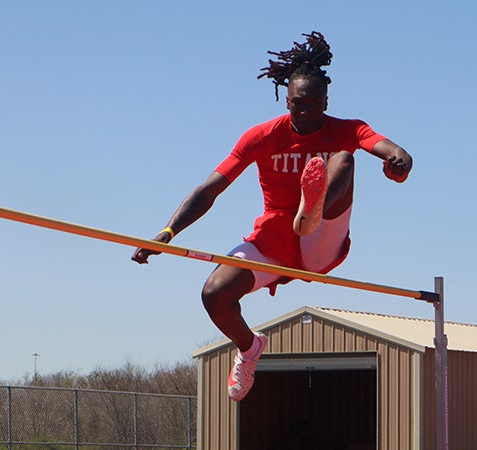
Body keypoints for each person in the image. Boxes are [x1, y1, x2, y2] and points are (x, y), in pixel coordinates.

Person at [131, 31, 413, 402]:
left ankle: (312, 212)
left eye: (314, 105)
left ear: (326, 101)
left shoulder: (346, 129)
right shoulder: (262, 136)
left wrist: (397, 162)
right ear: (286, 100)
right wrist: (167, 232)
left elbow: (392, 153)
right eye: (299, 104)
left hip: (322, 237)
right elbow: (211, 188)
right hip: (276, 236)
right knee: (215, 293)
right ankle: (249, 350)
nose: (307, 112)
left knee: (343, 158)